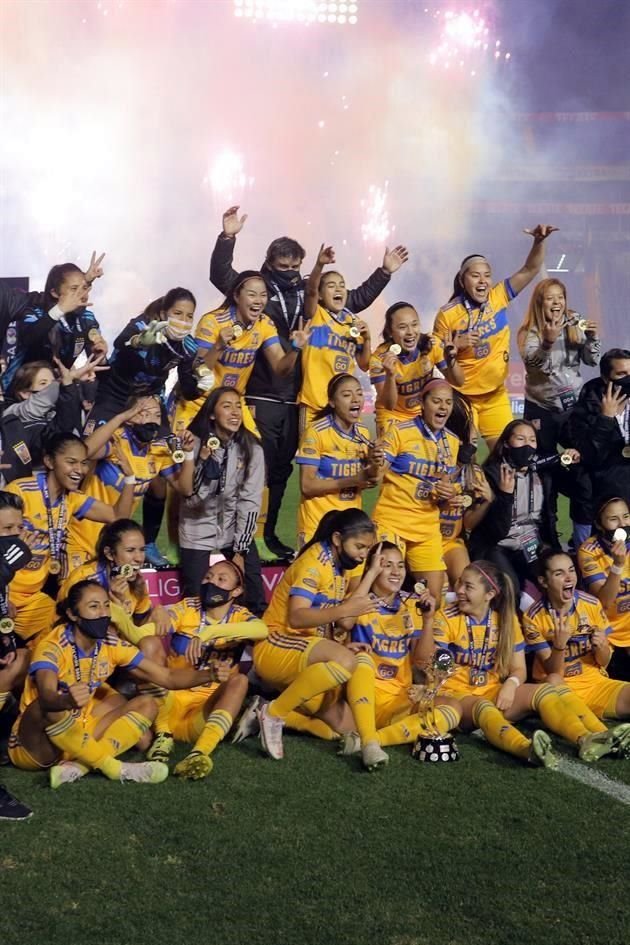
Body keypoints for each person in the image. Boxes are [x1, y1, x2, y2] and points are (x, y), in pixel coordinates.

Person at [209, 206, 407, 559]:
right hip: (262, 391)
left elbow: (354, 299)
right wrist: (228, 237)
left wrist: (384, 273)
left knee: (284, 471)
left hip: (298, 395)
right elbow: (221, 274)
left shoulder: (306, 291)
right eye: (282, 268)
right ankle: (243, 537)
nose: (289, 274)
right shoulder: (256, 289)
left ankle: (268, 536)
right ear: (269, 264)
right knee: (256, 467)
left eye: (294, 268)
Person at [7, 580, 226, 787]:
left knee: (147, 704)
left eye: (105, 606)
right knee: (48, 706)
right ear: (73, 614)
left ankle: (80, 766)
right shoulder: (53, 646)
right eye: (93, 607)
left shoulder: (110, 644)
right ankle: (115, 768)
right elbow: (46, 695)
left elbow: (166, 677)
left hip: (78, 733)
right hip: (37, 745)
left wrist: (209, 675)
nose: (103, 613)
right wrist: (66, 700)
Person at [433, 561, 626, 764]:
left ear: (489, 594)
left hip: (493, 692)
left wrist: (511, 683)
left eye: (468, 586)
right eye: (460, 584)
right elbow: (438, 665)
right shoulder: (445, 618)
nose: (459, 590)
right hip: (456, 696)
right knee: (483, 706)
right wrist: (440, 664)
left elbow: (519, 669)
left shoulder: (505, 620)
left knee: (543, 692)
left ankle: (588, 738)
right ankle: (526, 749)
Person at [252, 509, 389, 770]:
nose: (363, 553)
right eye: (359, 546)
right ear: (338, 539)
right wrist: (345, 610)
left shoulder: (343, 566)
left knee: (349, 726)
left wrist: (371, 573)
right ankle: (274, 714)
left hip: (304, 652)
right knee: (345, 660)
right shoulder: (314, 564)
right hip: (276, 644)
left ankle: (269, 710)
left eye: (367, 548)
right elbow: (297, 618)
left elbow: (344, 623)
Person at [433, 224, 558, 448]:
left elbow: (530, 269)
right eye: (475, 276)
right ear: (463, 281)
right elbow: (441, 362)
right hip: (463, 398)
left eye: (487, 276)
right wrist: (454, 351)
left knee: (506, 457)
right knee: (463, 456)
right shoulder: (447, 315)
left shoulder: (498, 296)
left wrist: (539, 241)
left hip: (496, 396)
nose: (482, 281)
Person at [4, 433, 137, 643]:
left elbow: (117, 516)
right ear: (49, 462)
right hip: (6, 590)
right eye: (71, 462)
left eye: (84, 463)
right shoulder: (21, 491)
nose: (80, 470)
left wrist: (130, 479)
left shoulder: (72, 499)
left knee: (59, 639)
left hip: (33, 600)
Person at [146, 559, 267, 779]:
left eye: (222, 579)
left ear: (236, 591)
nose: (212, 582)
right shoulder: (188, 606)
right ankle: (163, 734)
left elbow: (261, 629)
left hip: (204, 714)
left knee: (239, 681)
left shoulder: (240, 615)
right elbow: (156, 624)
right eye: (208, 576)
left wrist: (207, 634)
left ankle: (199, 753)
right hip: (168, 703)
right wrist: (158, 611)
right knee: (149, 646)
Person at [340, 542, 462, 756]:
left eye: (400, 565)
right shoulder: (358, 602)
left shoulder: (412, 605)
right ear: (373, 569)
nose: (396, 572)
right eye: (387, 565)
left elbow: (423, 661)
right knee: (362, 659)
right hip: (363, 699)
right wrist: (370, 575)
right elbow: (343, 625)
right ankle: (372, 736)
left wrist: (427, 620)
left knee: (453, 708)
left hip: (400, 699)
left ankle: (372, 741)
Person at [172, 270, 310, 441]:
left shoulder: (264, 324)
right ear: (237, 296)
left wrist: (295, 348)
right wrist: (219, 346)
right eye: (252, 295)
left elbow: (281, 369)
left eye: (263, 295)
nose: (259, 301)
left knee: (256, 452)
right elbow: (197, 371)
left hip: (234, 404)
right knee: (183, 453)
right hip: (200, 401)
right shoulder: (213, 321)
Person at [66, 395, 195, 571]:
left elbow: (185, 488)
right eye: (143, 413)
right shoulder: (116, 441)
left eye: (156, 415)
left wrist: (188, 454)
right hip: (82, 536)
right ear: (130, 416)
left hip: (115, 542)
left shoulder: (158, 451)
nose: (151, 420)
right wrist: (119, 418)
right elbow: (83, 452)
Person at [517, 278, 600, 547]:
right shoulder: (529, 331)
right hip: (541, 410)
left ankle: (585, 540)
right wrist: (548, 343)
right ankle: (548, 540)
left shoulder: (575, 322)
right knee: (543, 474)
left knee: (586, 467)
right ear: (540, 303)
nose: (557, 303)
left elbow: (592, 360)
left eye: (560, 297)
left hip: (573, 409)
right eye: (550, 298)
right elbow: (534, 366)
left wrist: (592, 339)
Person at [372, 379, 461, 599]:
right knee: (383, 592)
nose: (443, 407)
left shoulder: (452, 441)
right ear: (422, 403)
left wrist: (448, 494)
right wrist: (374, 462)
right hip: (392, 521)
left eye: (448, 402)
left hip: (427, 528)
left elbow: (443, 488)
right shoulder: (399, 432)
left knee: (434, 599)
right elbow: (375, 476)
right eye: (437, 401)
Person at [469, 419, 574, 605]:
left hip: (531, 543)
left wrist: (574, 462)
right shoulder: (491, 474)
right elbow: (496, 531)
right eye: (520, 439)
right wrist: (505, 495)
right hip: (497, 544)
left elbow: (573, 492)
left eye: (532, 440)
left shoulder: (542, 473)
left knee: (557, 581)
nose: (527, 445)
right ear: (507, 443)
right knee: (511, 591)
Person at [523, 550, 630, 731]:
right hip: (560, 690)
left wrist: (602, 646)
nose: (568, 578)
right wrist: (559, 646)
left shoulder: (592, 604)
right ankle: (602, 734)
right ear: (543, 581)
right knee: (554, 680)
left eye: (571, 570)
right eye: (559, 573)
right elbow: (554, 673)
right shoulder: (533, 617)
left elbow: (604, 662)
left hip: (597, 685)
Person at [180, 387, 266, 612]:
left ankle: (253, 641)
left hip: (233, 531)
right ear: (211, 414)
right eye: (227, 406)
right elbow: (190, 499)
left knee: (254, 592)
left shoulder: (252, 449)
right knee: (194, 600)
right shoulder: (194, 444)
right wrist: (200, 462)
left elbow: (250, 501)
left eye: (238, 406)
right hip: (197, 532)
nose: (235, 412)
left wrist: (240, 550)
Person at [88, 288, 199, 425]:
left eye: (189, 316)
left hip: (149, 401)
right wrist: (138, 341)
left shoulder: (189, 346)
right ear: (164, 314)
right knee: (95, 441)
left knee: (164, 443)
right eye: (177, 313)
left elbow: (188, 391)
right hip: (115, 393)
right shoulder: (144, 325)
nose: (183, 321)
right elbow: (120, 342)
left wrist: (201, 385)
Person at [295, 373, 383, 546]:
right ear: (332, 402)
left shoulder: (363, 433)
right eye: (347, 395)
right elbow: (307, 485)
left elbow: (371, 479)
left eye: (359, 393)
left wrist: (374, 462)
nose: (355, 399)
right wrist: (352, 480)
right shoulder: (316, 432)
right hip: (318, 525)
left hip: (351, 527)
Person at [3, 261, 108, 392]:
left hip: (58, 390)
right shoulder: (35, 312)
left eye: (85, 288)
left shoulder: (87, 318)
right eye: (74, 289)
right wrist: (60, 310)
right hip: (21, 393)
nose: (82, 295)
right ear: (54, 293)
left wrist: (100, 357)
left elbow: (102, 372)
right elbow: (28, 337)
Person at [0, 355, 106, 484]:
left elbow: (64, 424)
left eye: (53, 381)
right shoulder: (14, 413)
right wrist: (65, 382)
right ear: (25, 393)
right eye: (44, 383)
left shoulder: (61, 410)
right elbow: (40, 404)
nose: (52, 386)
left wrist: (70, 383)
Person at [300, 245, 374, 424]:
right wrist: (319, 265)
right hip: (314, 403)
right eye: (331, 286)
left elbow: (364, 365)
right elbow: (310, 291)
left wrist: (367, 339)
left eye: (342, 286)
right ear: (320, 295)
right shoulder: (316, 315)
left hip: (343, 407)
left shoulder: (353, 322)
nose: (338, 289)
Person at [369, 301, 464, 432]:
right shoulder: (379, 359)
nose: (410, 332)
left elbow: (458, 382)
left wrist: (451, 359)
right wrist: (390, 376)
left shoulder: (432, 345)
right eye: (402, 327)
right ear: (390, 332)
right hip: (393, 415)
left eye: (414, 325)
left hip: (424, 412)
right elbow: (389, 404)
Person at [566, 348, 630, 510]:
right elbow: (589, 456)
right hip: (600, 500)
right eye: (622, 374)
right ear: (605, 378)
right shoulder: (586, 407)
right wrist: (606, 418)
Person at [577, 497, 630, 659]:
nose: (622, 524)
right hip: (607, 630)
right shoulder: (588, 552)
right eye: (613, 519)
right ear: (599, 524)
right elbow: (605, 601)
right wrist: (617, 566)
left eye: (626, 516)